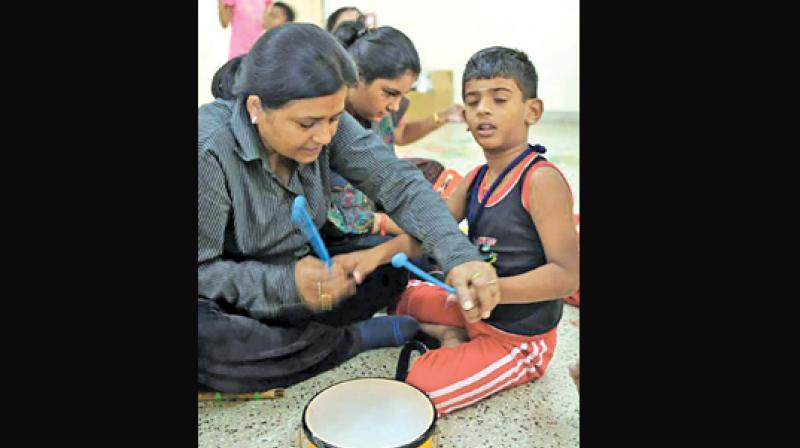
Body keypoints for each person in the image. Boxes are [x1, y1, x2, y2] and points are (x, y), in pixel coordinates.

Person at [197, 23, 499, 393]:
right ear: (256, 107)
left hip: (302, 272)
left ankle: (299, 340)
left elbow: (396, 181)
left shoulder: (327, 125)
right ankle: (350, 340)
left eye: (334, 119)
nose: (324, 137)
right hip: (233, 291)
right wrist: (285, 284)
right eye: (307, 124)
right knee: (208, 343)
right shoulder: (209, 152)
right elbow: (203, 270)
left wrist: (459, 254)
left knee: (387, 266)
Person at [386, 46, 580, 416]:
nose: (483, 110)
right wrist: (373, 252)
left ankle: (463, 348)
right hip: (473, 310)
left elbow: (567, 277)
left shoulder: (541, 180)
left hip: (517, 339)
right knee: (399, 295)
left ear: (532, 111)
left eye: (499, 98)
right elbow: (433, 226)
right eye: (472, 101)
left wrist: (492, 291)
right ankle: (450, 336)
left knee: (419, 391)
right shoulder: (475, 177)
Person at [322, 21, 464, 249]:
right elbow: (323, 212)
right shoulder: (324, 120)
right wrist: (385, 223)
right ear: (356, 77)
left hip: (374, 209)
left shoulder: (380, 116)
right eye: (389, 93)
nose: (395, 106)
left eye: (402, 95)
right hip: (339, 233)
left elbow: (391, 174)